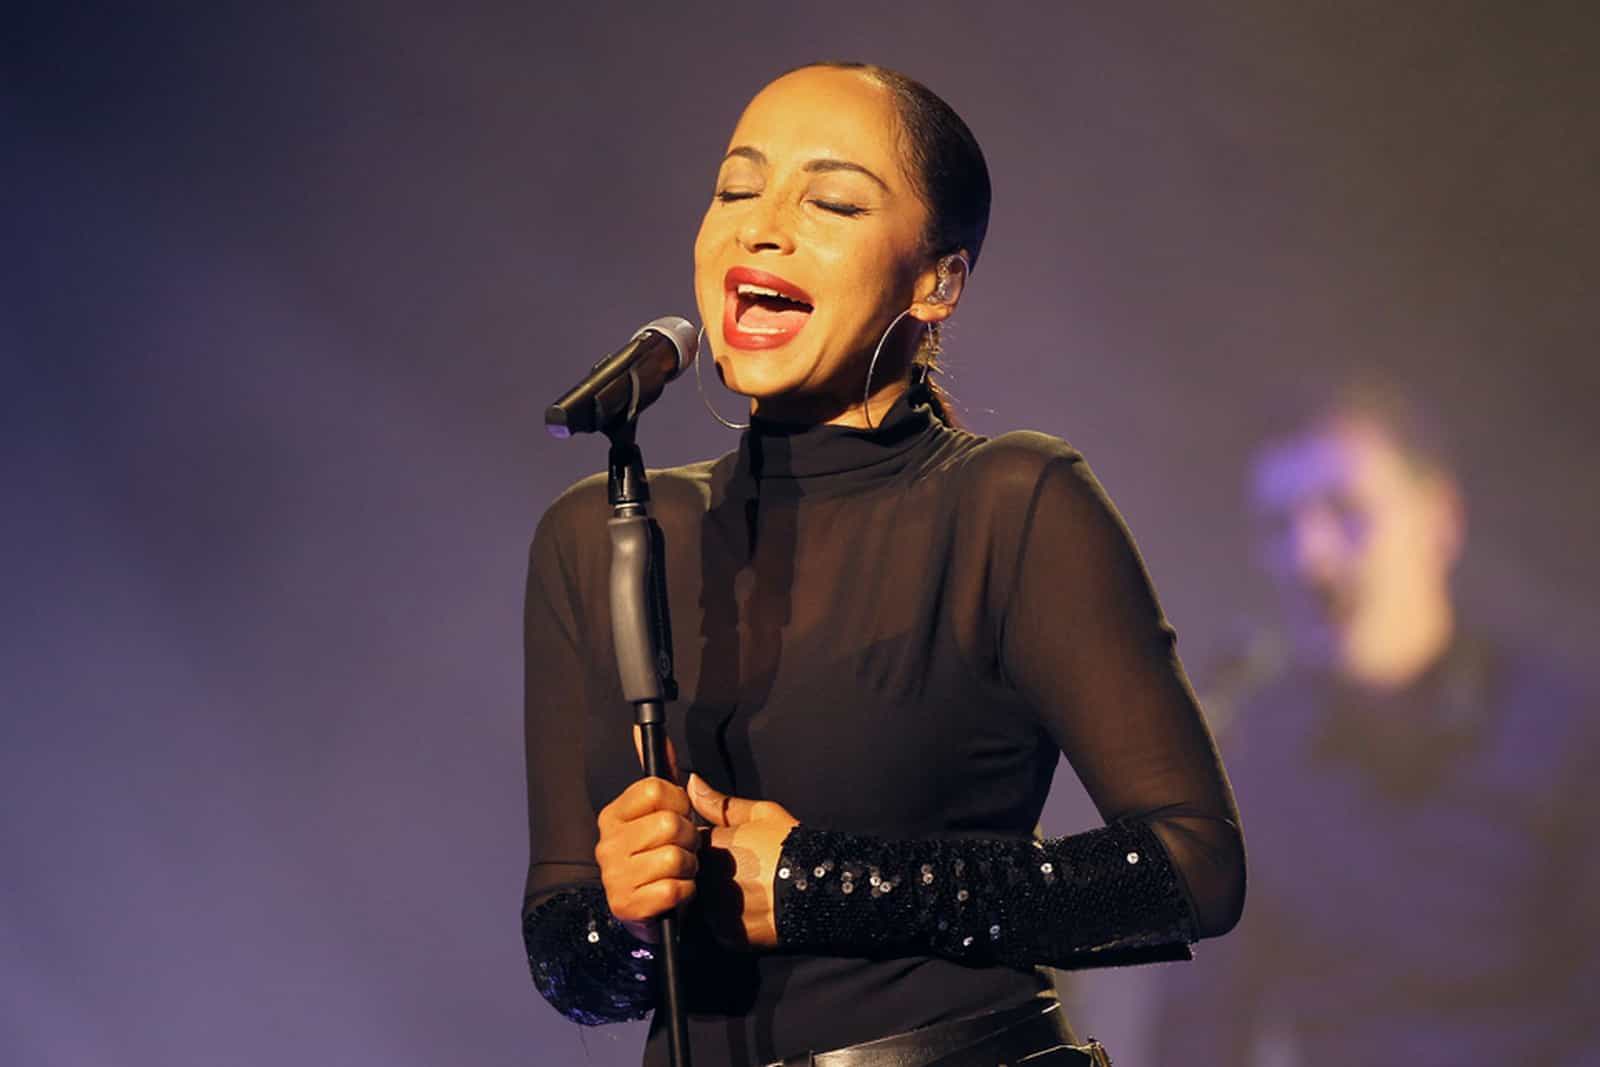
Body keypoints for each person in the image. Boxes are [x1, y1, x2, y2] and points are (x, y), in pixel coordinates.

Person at [521, 62, 1245, 1066]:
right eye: (736, 188)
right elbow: (568, 959)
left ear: (935, 282)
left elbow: (1194, 865)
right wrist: (627, 918)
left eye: (830, 202)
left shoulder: (1009, 502)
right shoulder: (598, 534)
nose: (761, 227)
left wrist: (817, 882)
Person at [1148, 381, 1600, 1066]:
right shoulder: (1252, 759)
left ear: (1441, 518)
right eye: (1279, 526)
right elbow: (1197, 1032)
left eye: (1348, 511)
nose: (1309, 557)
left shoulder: (1570, 735)